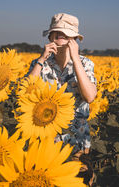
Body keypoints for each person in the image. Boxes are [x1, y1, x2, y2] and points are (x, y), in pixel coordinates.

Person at [27, 12, 97, 154]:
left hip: (78, 140)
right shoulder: (39, 63)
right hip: (44, 141)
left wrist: (76, 58)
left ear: (75, 39)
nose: (60, 34)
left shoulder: (85, 63)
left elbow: (89, 97)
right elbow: (24, 92)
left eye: (66, 33)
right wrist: (41, 59)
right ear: (50, 37)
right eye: (56, 32)